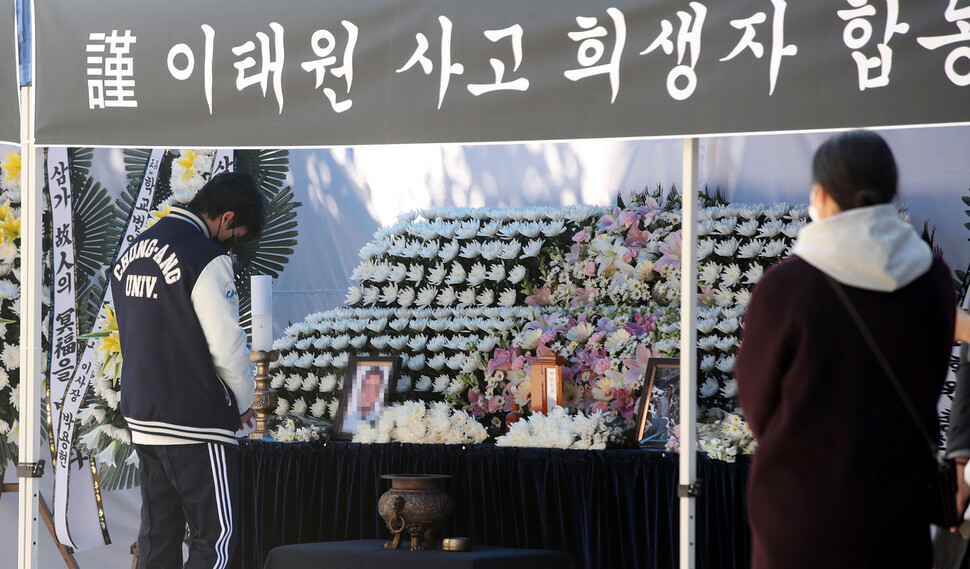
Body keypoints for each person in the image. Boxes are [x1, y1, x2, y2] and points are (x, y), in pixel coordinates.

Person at [735, 130, 955, 569]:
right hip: (901, 506)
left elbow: (757, 402)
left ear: (820, 193)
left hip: (801, 513)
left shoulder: (787, 285)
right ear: (890, 190)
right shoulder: (932, 277)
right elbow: (933, 373)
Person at [111, 171, 266, 569]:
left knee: (157, 536)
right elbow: (227, 344)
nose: (234, 243)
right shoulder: (205, 256)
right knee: (215, 537)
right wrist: (243, 402)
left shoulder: (134, 249)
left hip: (143, 412)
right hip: (195, 417)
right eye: (238, 234)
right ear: (227, 218)